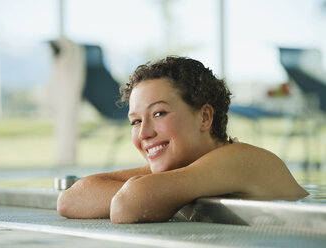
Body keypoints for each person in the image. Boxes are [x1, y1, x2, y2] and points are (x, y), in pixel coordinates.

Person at [57, 56, 308, 224]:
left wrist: (152, 192)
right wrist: (153, 191)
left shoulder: (242, 160)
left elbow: (129, 205)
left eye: (159, 113)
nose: (144, 133)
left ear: (205, 117)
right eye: (135, 121)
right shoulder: (187, 169)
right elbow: (70, 199)